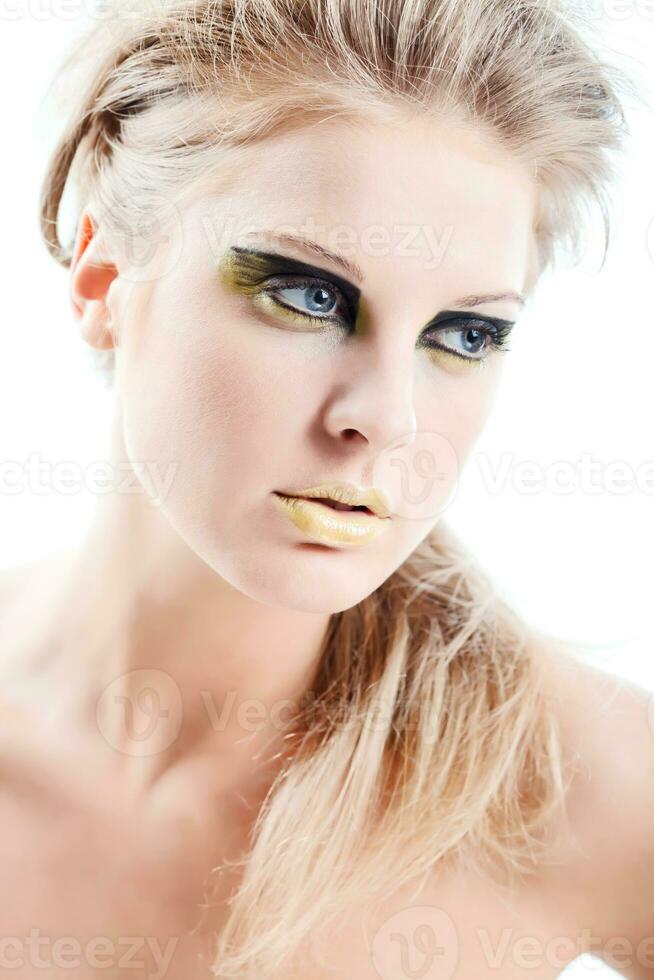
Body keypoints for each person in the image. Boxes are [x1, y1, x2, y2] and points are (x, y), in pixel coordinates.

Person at [0, 0, 652, 977]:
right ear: (102, 280)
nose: (386, 418)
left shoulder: (583, 791)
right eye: (309, 295)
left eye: (464, 334)